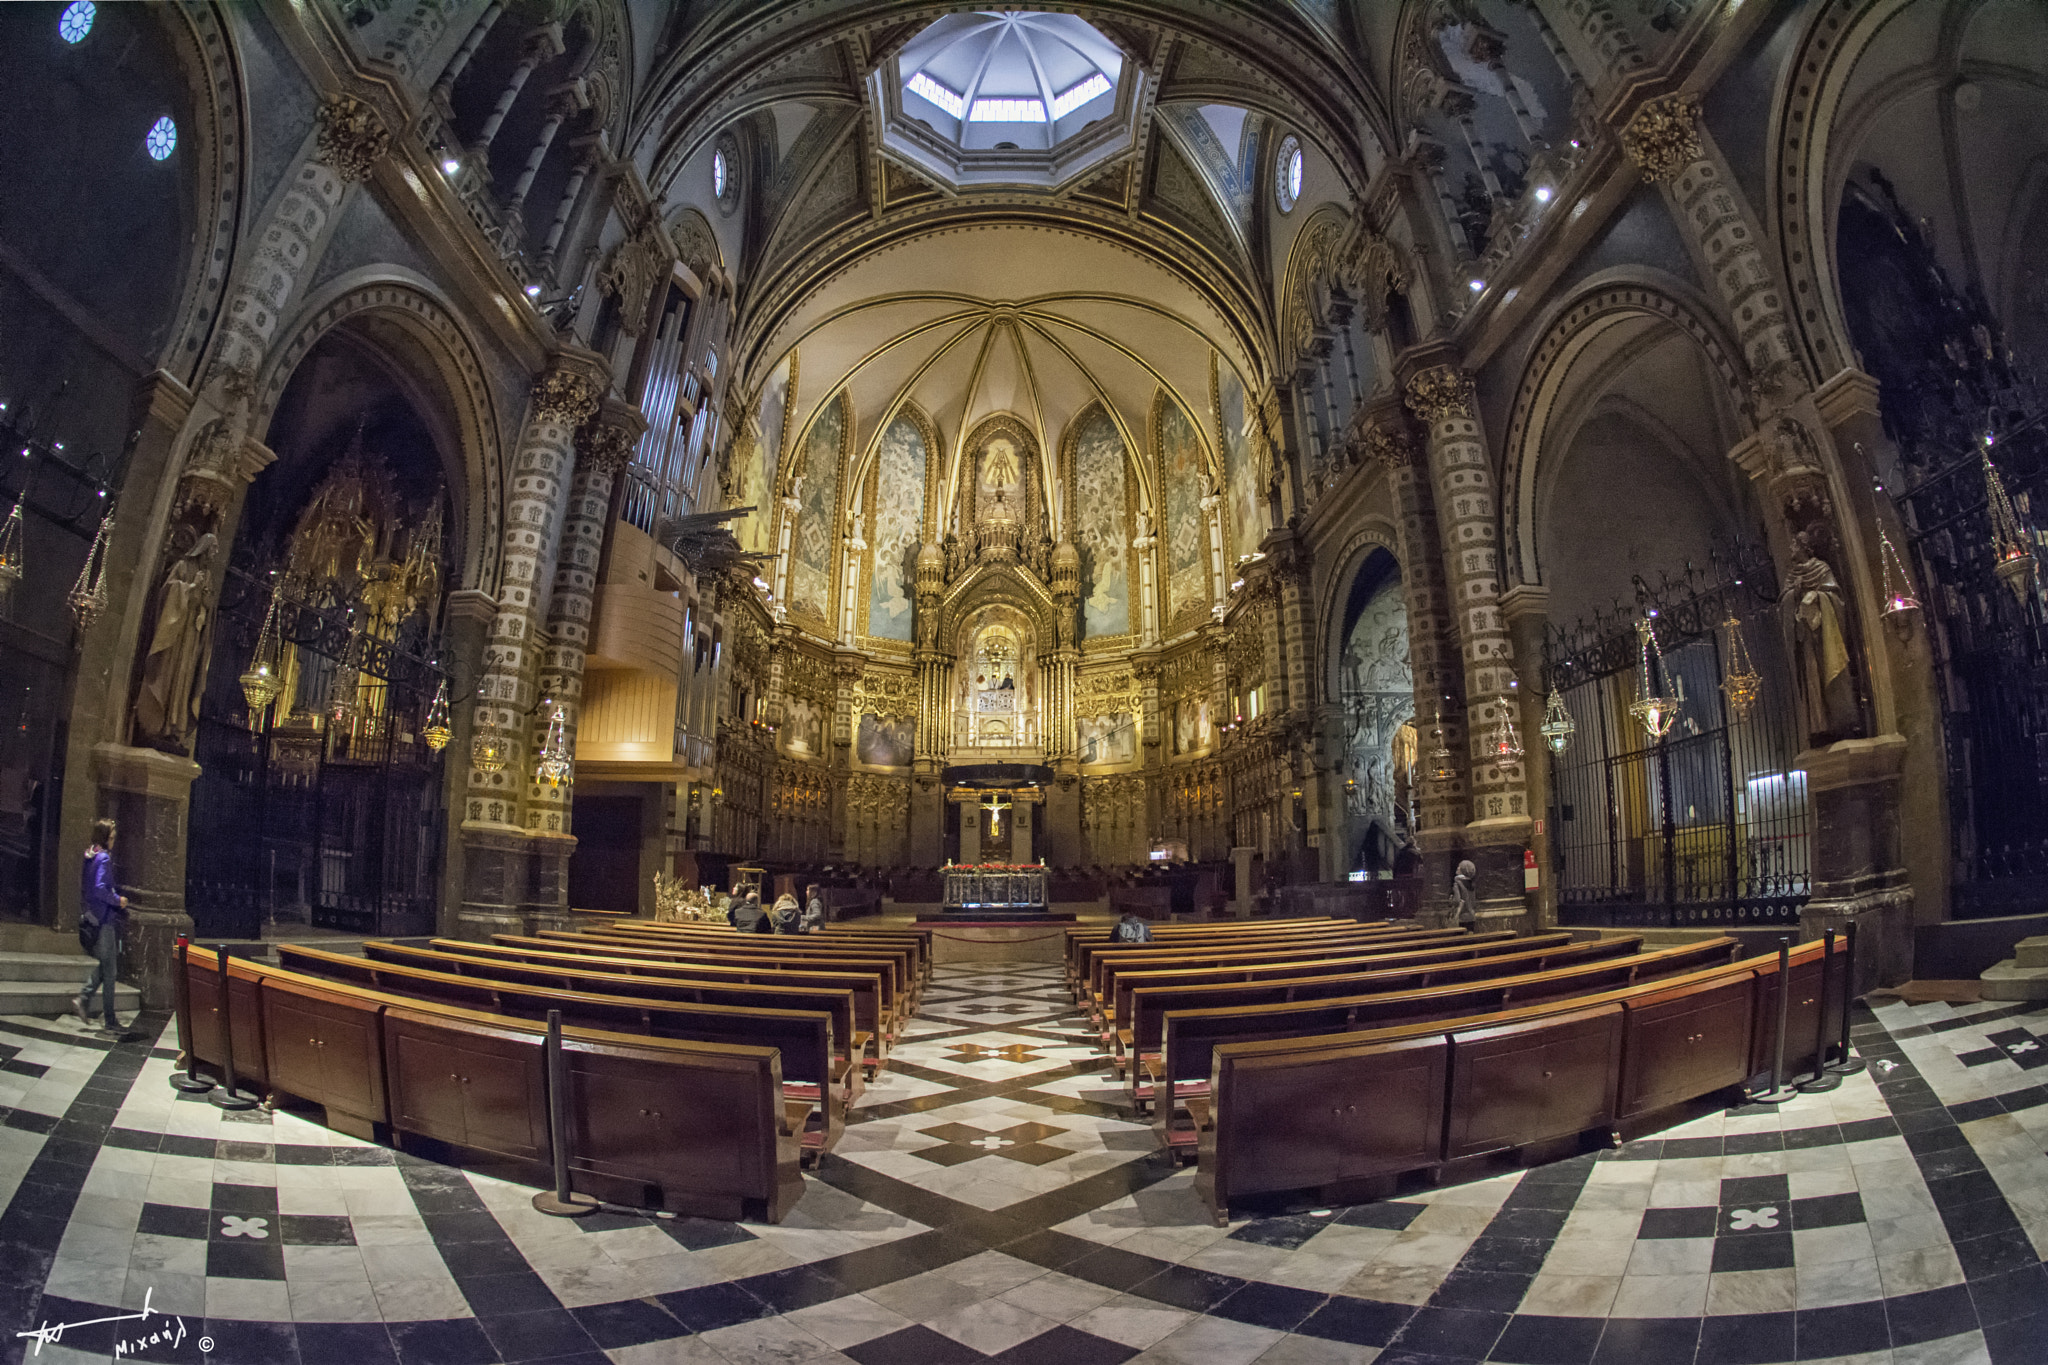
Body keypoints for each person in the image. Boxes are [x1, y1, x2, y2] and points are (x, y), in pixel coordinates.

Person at [75, 819, 128, 1034]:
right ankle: (110, 1021)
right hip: (104, 920)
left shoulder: (91, 854)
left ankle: (84, 999)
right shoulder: (104, 858)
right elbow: (100, 888)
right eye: (112, 836)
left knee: (107, 966)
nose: (114, 840)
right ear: (106, 838)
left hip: (93, 915)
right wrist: (117, 900)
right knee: (110, 970)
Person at [1452, 859, 1478, 928]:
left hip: (1462, 916)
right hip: (1471, 915)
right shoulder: (1472, 883)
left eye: (1459, 866)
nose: (1457, 868)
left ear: (1463, 869)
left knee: (1460, 937)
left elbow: (1457, 900)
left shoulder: (1457, 883)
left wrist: (1451, 901)